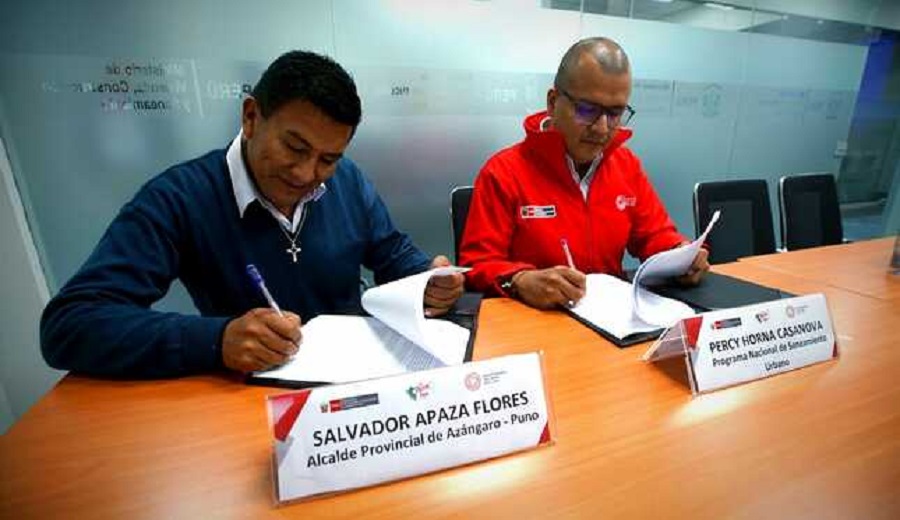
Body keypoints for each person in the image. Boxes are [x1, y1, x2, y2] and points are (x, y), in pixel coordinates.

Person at [40, 50, 464, 378]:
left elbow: (390, 251)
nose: (306, 174)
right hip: (249, 396)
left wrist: (426, 278)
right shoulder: (180, 197)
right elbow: (70, 324)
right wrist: (217, 340)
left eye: (327, 159)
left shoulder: (346, 179)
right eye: (294, 148)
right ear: (250, 117)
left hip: (355, 382)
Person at [459, 37, 708, 310]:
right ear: (553, 102)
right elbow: (476, 264)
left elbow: (654, 235)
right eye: (587, 110)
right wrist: (519, 280)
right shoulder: (503, 172)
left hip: (613, 319)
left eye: (615, 113)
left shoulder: (626, 165)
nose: (602, 128)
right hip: (535, 321)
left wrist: (680, 254)